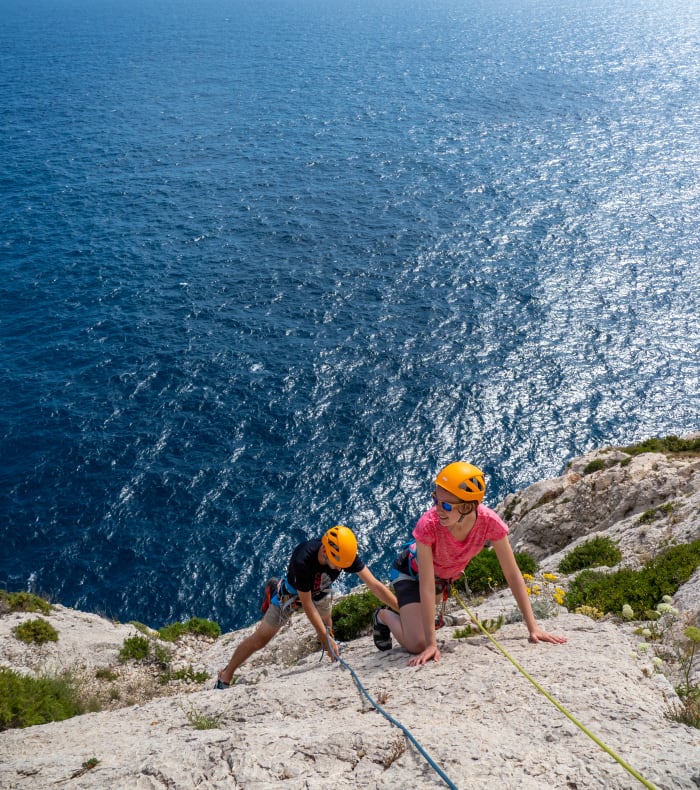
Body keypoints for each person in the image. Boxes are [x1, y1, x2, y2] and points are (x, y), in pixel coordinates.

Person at [372, 462, 568, 666]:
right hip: (410, 572)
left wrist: (533, 627)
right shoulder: (428, 525)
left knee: (423, 620)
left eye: (446, 505)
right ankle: (383, 615)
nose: (438, 509)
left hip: (442, 578)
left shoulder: (489, 522)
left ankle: (408, 615)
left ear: (467, 506)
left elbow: (512, 574)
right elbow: (427, 585)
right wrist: (431, 644)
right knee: (417, 644)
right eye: (435, 500)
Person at [215, 524, 398, 687]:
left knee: (327, 623)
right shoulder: (303, 560)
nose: (340, 569)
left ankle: (331, 647)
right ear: (325, 552)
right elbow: (307, 604)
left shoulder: (343, 554)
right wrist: (325, 638)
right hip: (292, 595)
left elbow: (374, 585)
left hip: (321, 590)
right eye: (338, 565)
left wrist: (400, 608)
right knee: (261, 639)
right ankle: (226, 674)